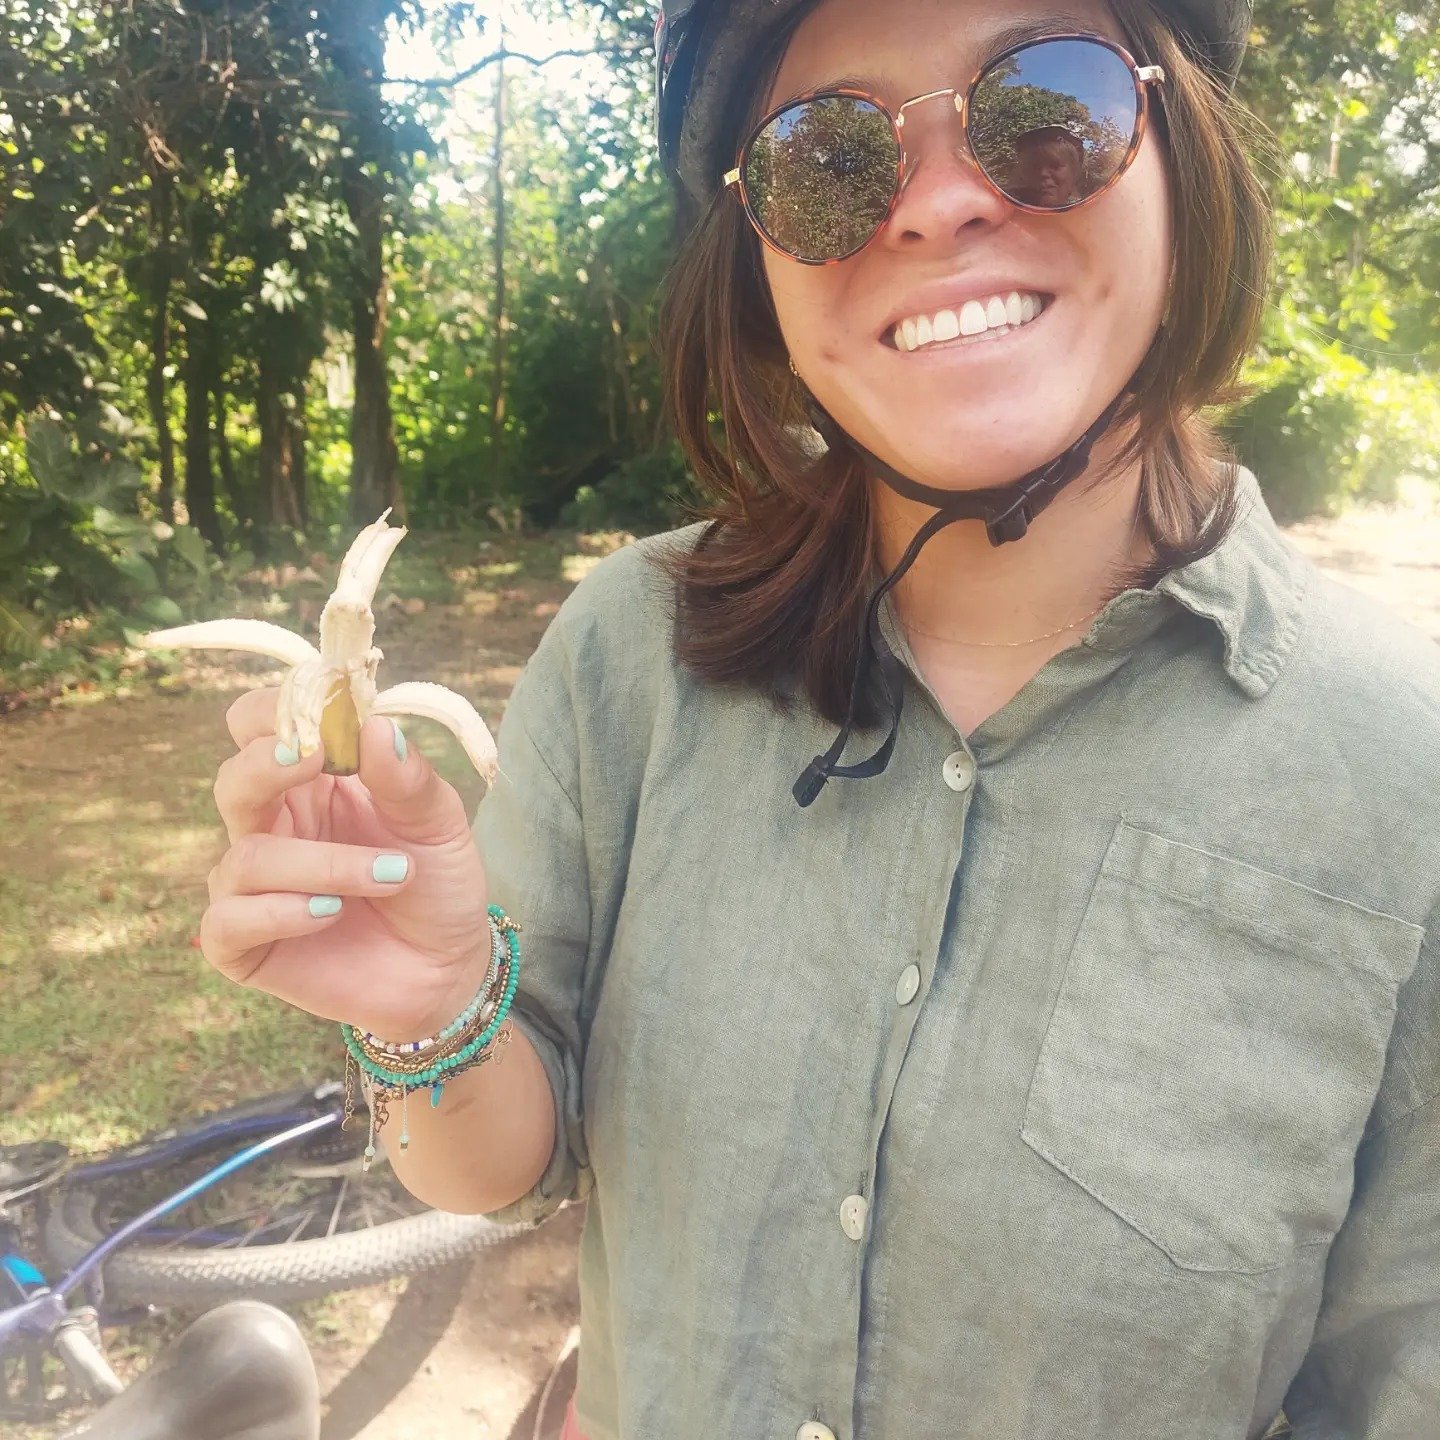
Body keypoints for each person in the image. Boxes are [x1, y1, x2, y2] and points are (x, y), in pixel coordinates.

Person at [197, 0, 1440, 1436]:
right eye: (826, 160)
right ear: (758, 269)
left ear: (1187, 158)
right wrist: (432, 1015)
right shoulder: (630, 656)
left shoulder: (1400, 773)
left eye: (1046, 102)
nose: (939, 204)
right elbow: (498, 1165)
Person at [1005, 124, 1089, 206]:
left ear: (1074, 171)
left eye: (1054, 166)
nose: (1043, 173)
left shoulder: (1090, 212)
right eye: (1034, 166)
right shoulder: (1004, 208)